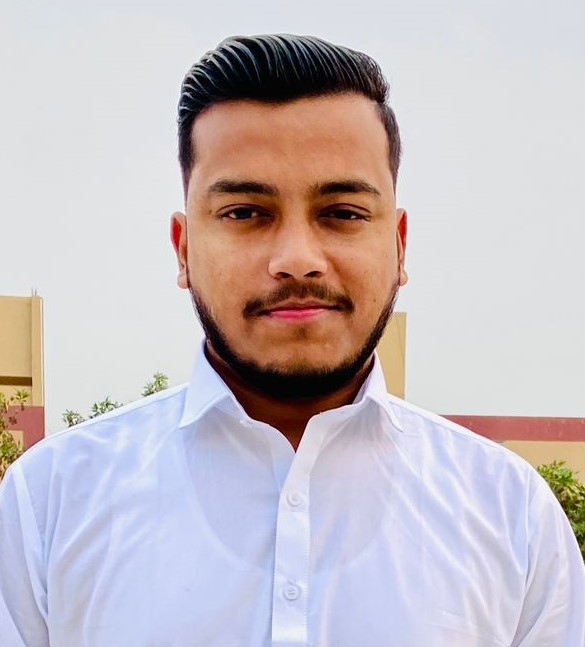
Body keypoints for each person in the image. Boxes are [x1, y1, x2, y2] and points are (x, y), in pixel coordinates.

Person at [1, 34, 584, 647]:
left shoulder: (511, 517)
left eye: (343, 213)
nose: (297, 259)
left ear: (399, 245)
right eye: (245, 212)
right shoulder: (50, 505)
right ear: (183, 247)